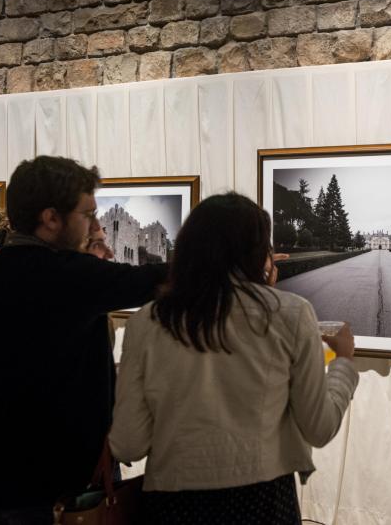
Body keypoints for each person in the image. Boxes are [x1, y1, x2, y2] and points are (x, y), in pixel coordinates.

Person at [109, 193, 359, 525]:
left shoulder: (146, 322)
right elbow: (319, 427)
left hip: (173, 505)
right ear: (255, 251)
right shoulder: (291, 314)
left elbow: (127, 445)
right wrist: (342, 362)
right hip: (263, 502)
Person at [0, 156, 168, 524]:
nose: (92, 226)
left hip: (3, 473)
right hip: (57, 483)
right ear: (51, 218)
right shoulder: (68, 276)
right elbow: (158, 281)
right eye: (87, 215)